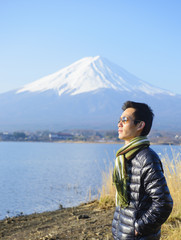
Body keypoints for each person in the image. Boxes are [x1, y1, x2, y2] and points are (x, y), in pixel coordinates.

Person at [112, 101, 173, 240]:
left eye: (125, 120)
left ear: (140, 125)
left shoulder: (146, 158)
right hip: (123, 233)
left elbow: (164, 203)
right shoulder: (124, 157)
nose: (119, 124)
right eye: (119, 120)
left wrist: (139, 227)